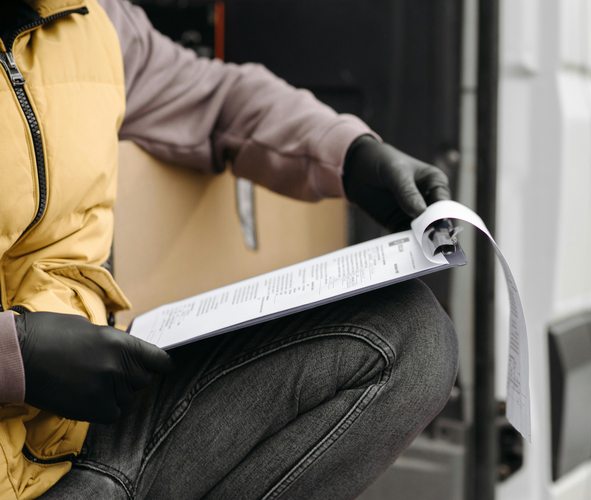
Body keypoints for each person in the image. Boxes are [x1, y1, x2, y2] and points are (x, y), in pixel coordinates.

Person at [0, 0, 458, 498]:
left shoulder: (88, 18)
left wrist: (351, 155)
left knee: (407, 336)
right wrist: (18, 356)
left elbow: (214, 98)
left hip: (84, 437)